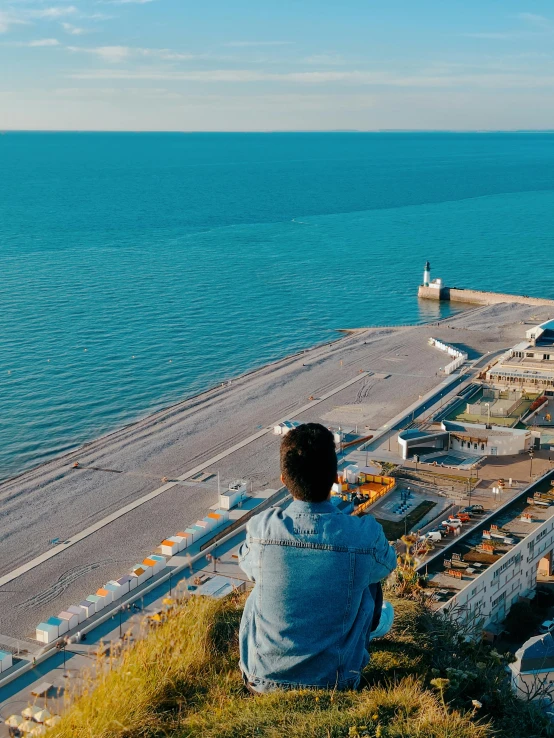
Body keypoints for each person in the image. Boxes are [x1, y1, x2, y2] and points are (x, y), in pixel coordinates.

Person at [238, 423, 397, 694]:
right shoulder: (363, 535)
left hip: (262, 680)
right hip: (336, 681)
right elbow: (388, 564)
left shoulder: (262, 529)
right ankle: (369, 632)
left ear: (284, 481)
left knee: (264, 578)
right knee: (368, 575)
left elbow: (246, 564)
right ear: (336, 478)